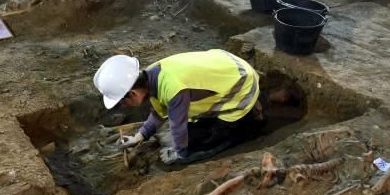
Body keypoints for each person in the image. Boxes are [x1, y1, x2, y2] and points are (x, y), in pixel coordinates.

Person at [93, 49, 267, 165]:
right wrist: (139, 137)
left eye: (122, 102)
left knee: (197, 144)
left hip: (241, 84)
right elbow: (159, 113)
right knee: (183, 133)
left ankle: (247, 118)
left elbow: (177, 124)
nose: (124, 106)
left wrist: (179, 153)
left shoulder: (173, 88)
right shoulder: (151, 76)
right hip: (226, 67)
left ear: (133, 93)